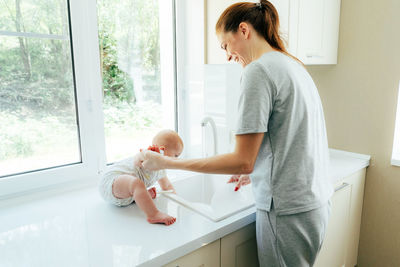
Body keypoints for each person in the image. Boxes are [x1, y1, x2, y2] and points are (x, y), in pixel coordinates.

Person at [139, 0, 334, 265]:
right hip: (314, 203)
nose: (228, 55)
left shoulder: (258, 70)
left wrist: (166, 162)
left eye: (225, 45)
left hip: (287, 209)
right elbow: (288, 139)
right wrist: (259, 171)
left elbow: (243, 160)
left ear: (243, 30)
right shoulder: (292, 65)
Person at [99, 129, 183, 226]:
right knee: (136, 184)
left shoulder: (161, 170)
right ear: (162, 150)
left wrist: (178, 201)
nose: (177, 159)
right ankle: (154, 214)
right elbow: (137, 160)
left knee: (138, 187)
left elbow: (167, 186)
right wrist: (148, 155)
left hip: (124, 195)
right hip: (112, 183)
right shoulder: (147, 156)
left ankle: (138, 197)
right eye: (176, 155)